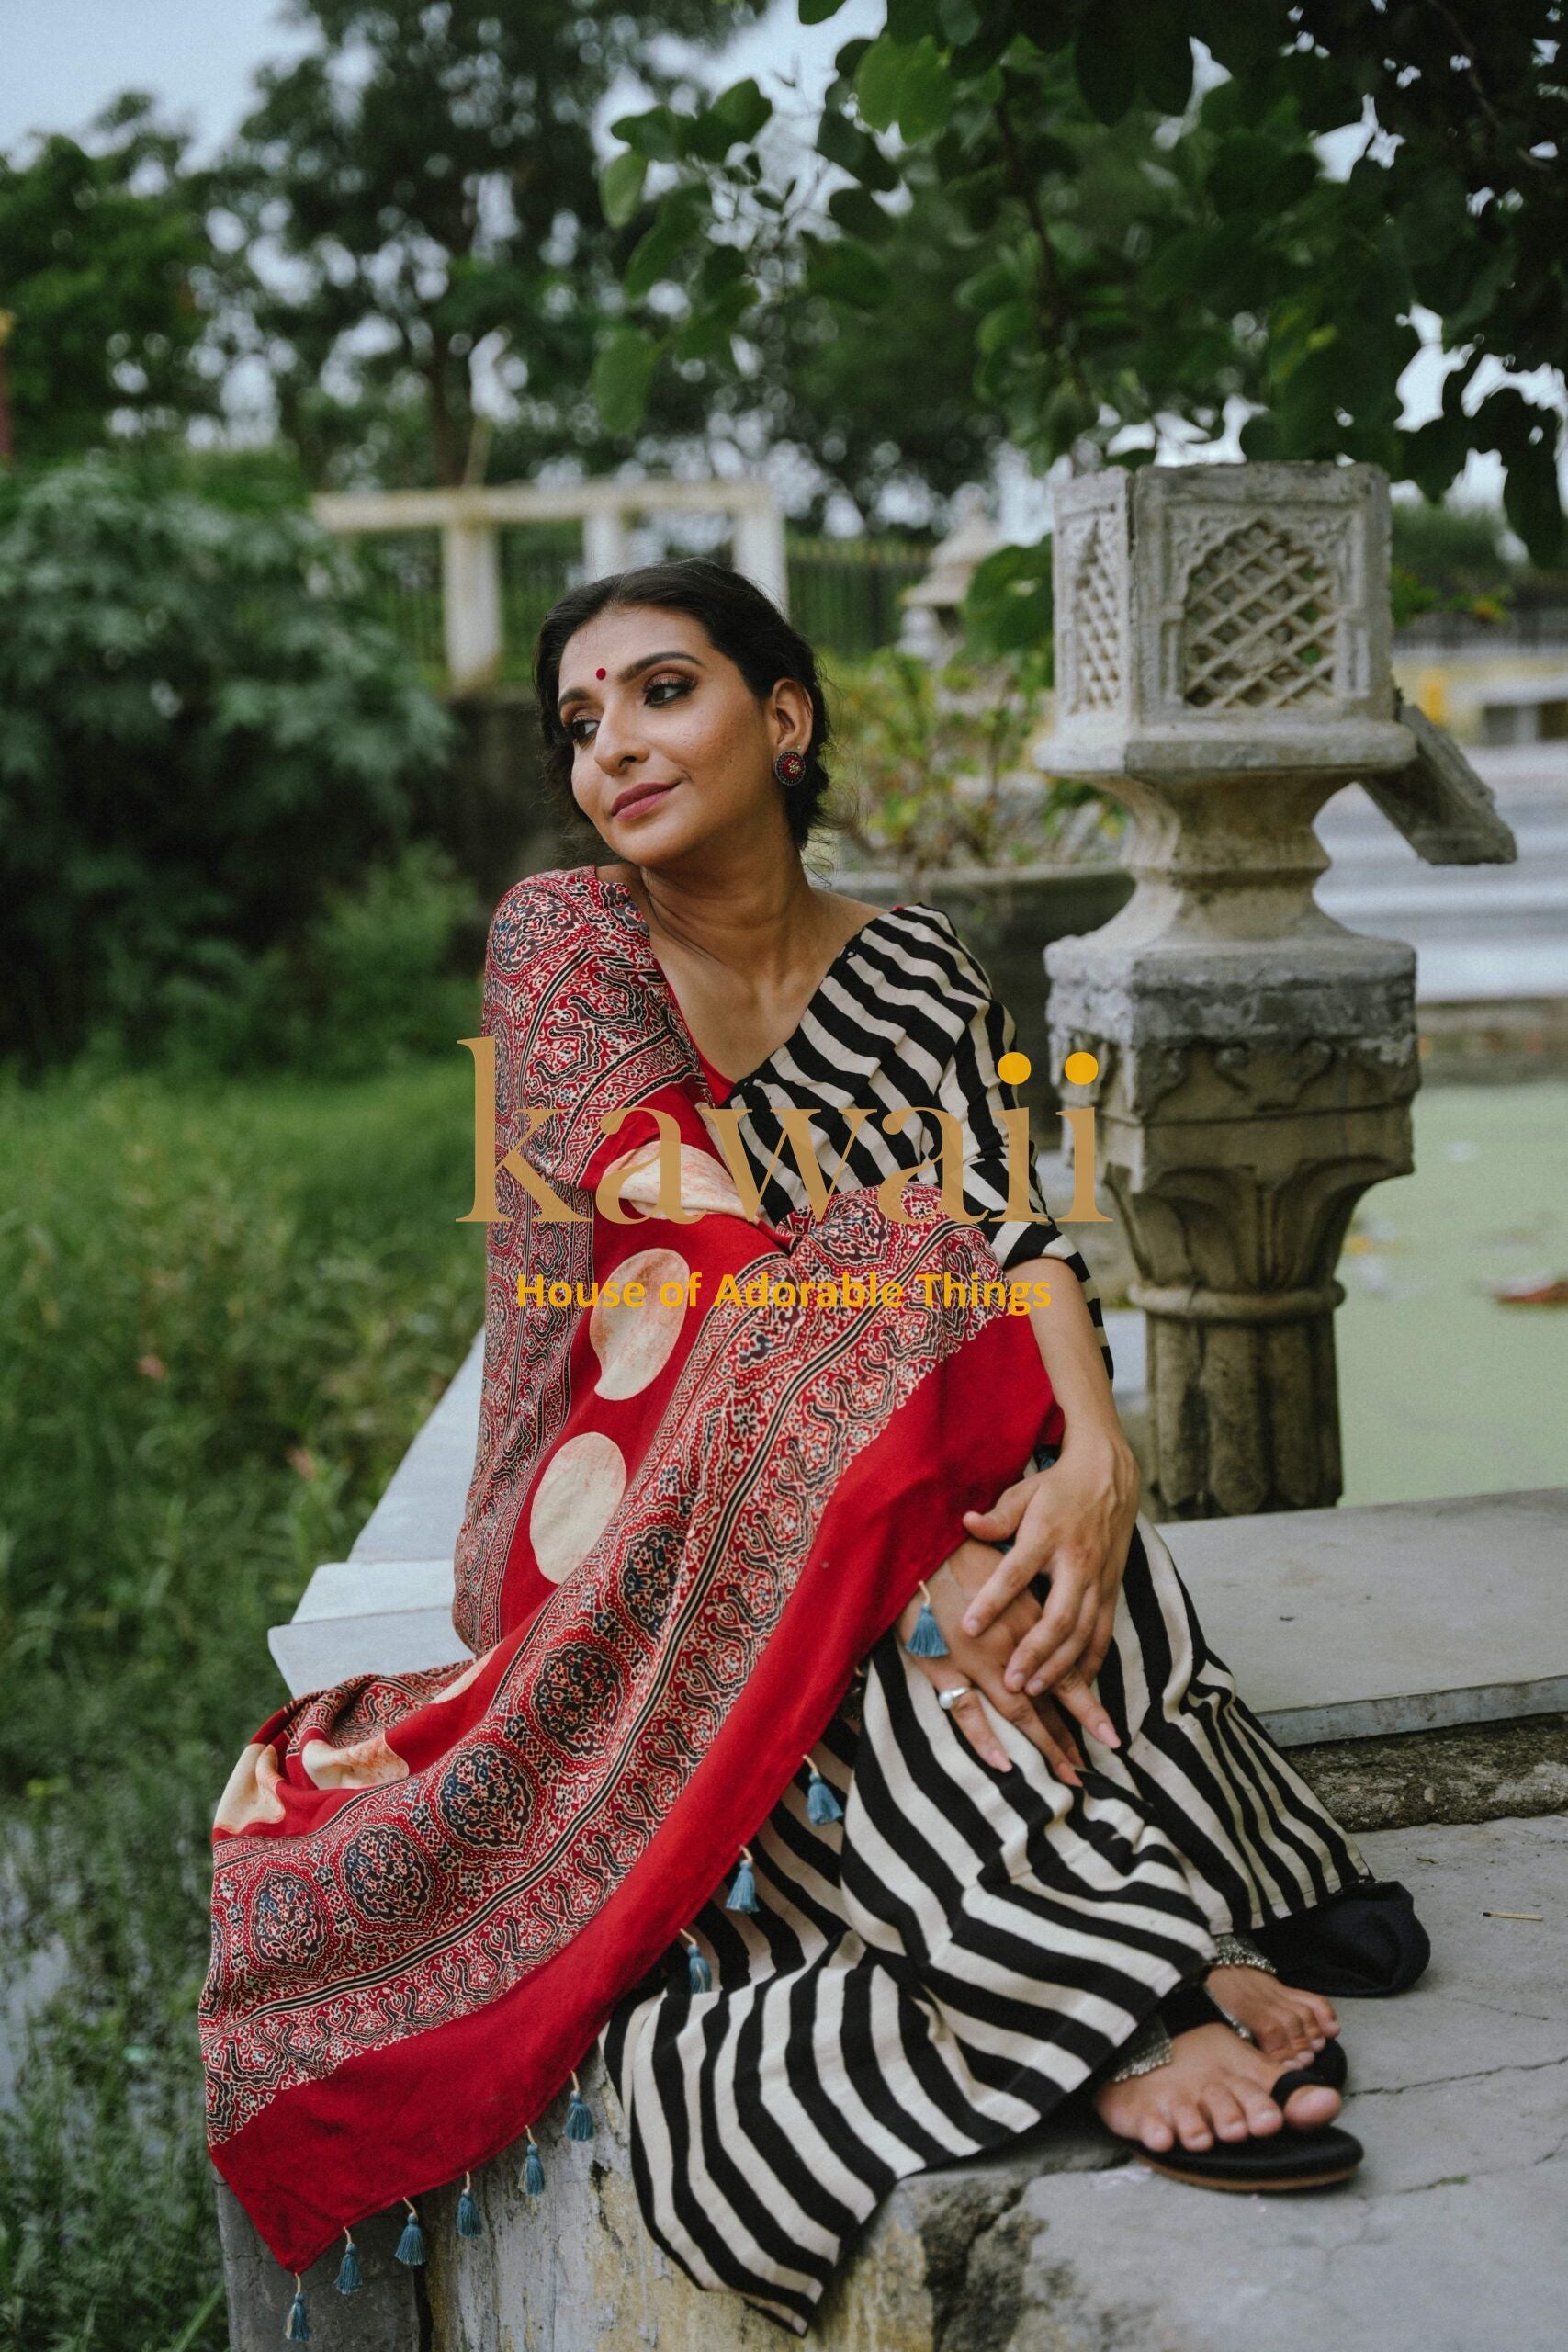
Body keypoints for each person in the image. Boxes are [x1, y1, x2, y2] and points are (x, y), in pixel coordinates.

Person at [201, 558, 1426, 2338]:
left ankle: (1128, 1867)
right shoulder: (566, 937)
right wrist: (897, 1512)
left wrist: (1095, 1456)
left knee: (993, 1407)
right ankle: (1101, 1981)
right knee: (875, 1318)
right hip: (620, 1508)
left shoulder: (908, 961)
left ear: (781, 718)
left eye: (658, 690)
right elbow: (682, 1243)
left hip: (872, 1456)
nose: (606, 743)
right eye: (578, 717)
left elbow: (1011, 1236)